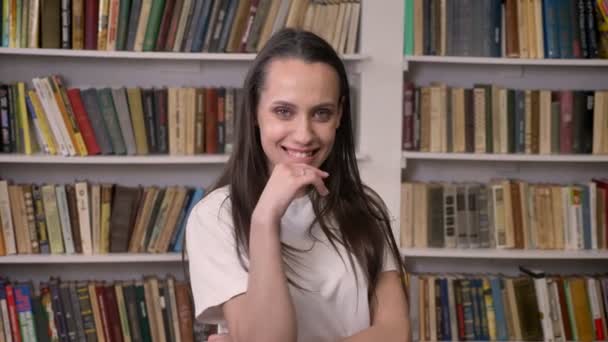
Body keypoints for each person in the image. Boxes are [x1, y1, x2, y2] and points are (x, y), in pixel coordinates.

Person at [185, 28, 410, 342]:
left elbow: (395, 333)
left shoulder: (364, 207)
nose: (304, 134)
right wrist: (265, 218)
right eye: (283, 111)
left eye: (321, 113)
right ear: (253, 111)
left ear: (340, 115)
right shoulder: (216, 216)